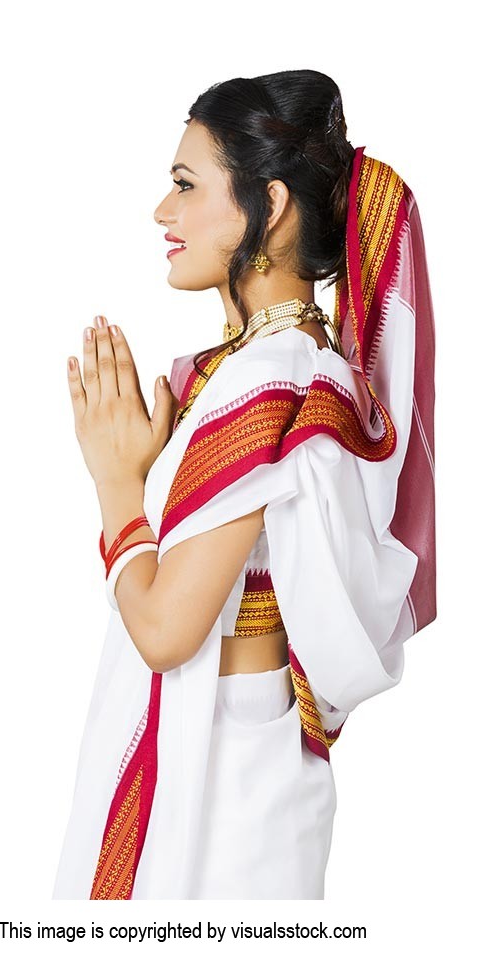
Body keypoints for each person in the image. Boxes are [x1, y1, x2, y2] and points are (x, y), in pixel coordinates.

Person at [53, 69, 436, 900]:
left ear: (272, 203)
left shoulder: (266, 377)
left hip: (226, 787)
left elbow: (163, 630)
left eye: (187, 186)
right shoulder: (277, 366)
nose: (164, 213)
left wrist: (118, 487)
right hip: (240, 759)